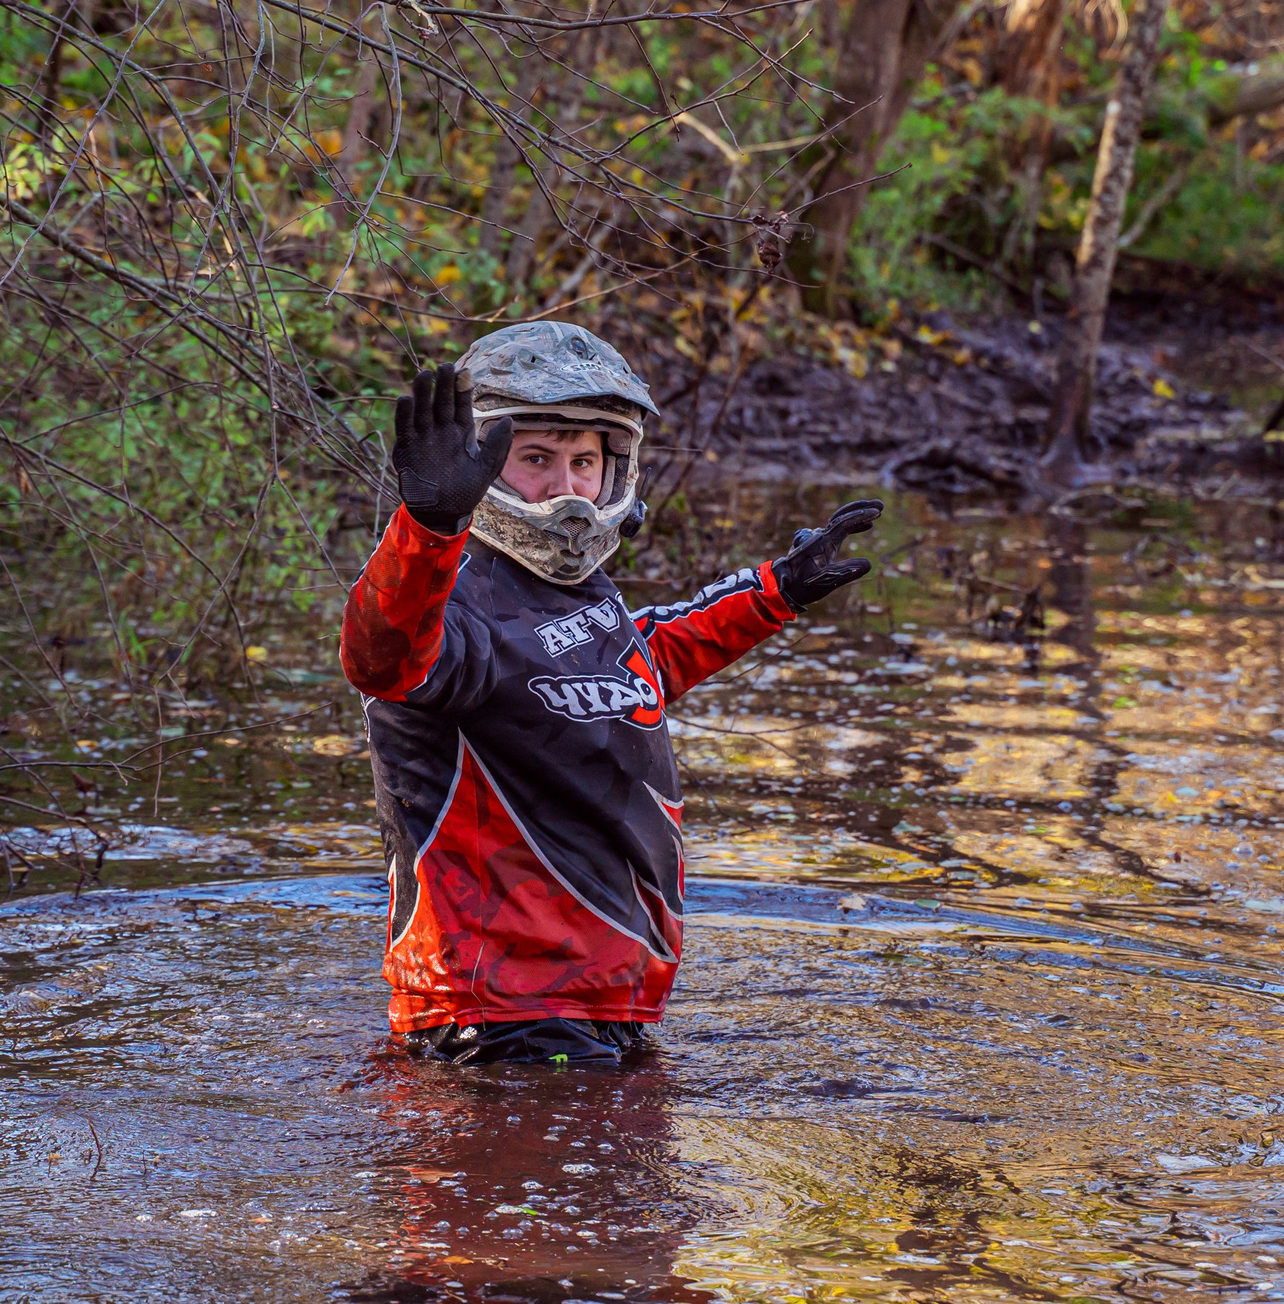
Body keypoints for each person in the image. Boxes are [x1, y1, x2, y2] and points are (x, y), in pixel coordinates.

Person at [339, 320, 882, 1066]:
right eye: (536, 458)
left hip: (597, 999)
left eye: (585, 460)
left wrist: (775, 591)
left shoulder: (576, 594)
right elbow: (382, 658)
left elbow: (635, 660)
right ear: (480, 460)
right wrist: (428, 527)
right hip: (496, 1015)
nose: (567, 487)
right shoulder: (450, 602)